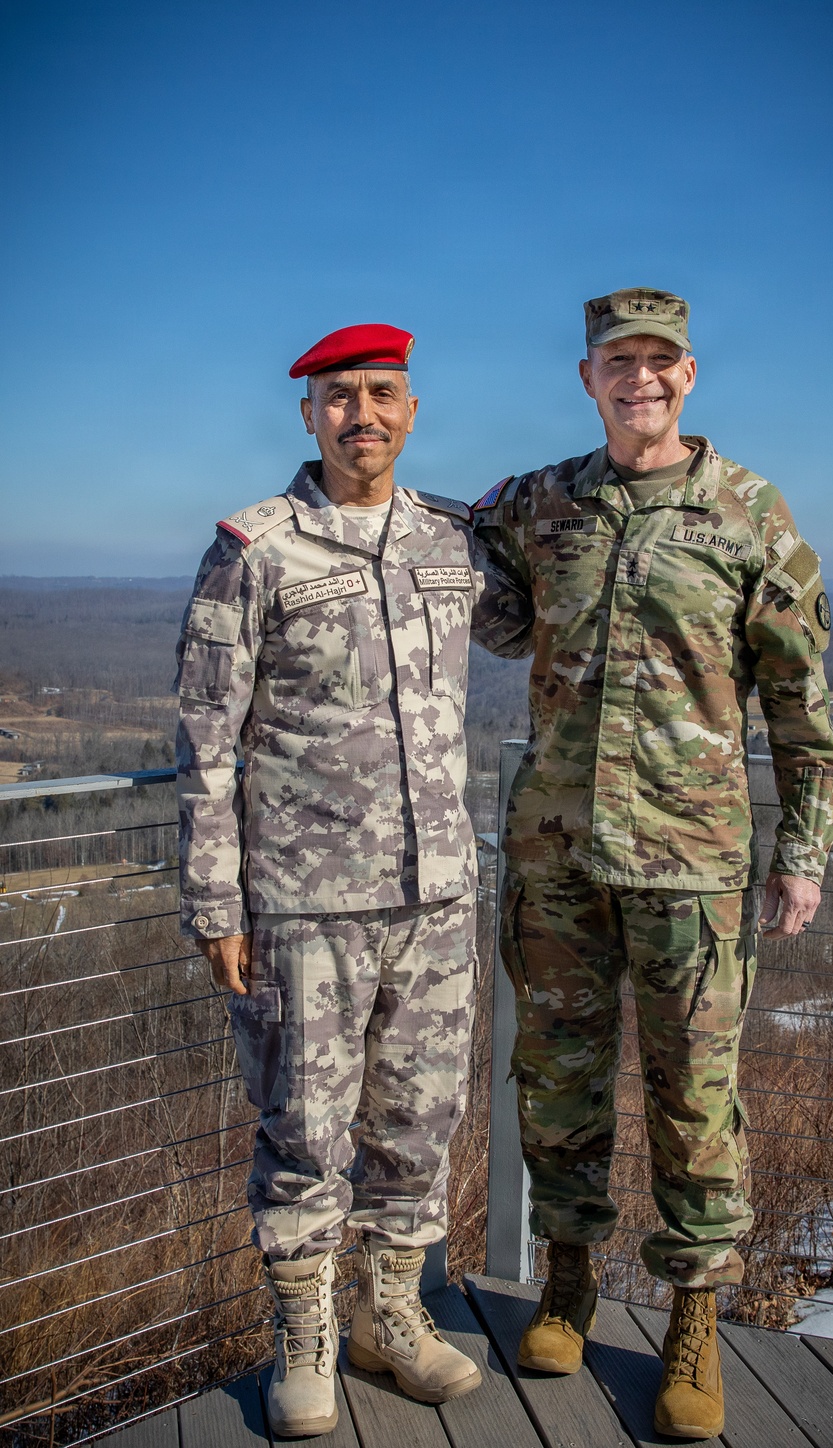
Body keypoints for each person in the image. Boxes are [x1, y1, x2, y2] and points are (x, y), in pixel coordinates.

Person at [471, 288, 833, 1439]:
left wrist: (804, 848)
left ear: (689, 377)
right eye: (617, 360)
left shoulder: (747, 513)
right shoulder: (539, 503)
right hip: (558, 853)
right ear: (587, 377)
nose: (640, 377)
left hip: (692, 860)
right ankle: (569, 1276)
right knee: (559, 1077)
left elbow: (798, 696)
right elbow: (472, 585)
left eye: (660, 361)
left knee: (696, 1098)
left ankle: (693, 1316)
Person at [175, 323, 517, 1436]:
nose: (360, 414)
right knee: (305, 1126)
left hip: (435, 897)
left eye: (381, 394)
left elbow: (536, 618)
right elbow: (207, 736)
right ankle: (304, 1337)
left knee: (419, 1118)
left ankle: (392, 1315)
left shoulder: (454, 543)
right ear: (309, 414)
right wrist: (215, 898)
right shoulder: (255, 547)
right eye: (338, 397)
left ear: (411, 410)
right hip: (304, 902)